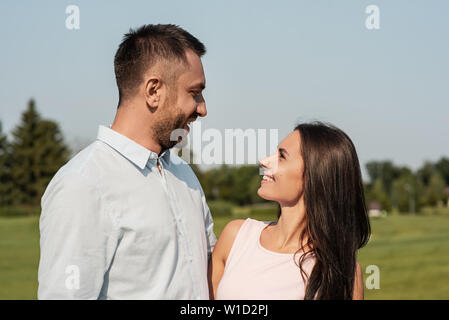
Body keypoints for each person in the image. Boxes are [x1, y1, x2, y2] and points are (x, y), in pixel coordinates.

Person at [38, 24, 216, 299]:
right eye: (194, 93)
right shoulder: (82, 185)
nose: (202, 109)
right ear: (154, 90)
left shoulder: (184, 175)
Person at [210, 122, 371, 300]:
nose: (263, 161)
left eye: (282, 156)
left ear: (314, 175)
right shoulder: (236, 236)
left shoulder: (343, 273)